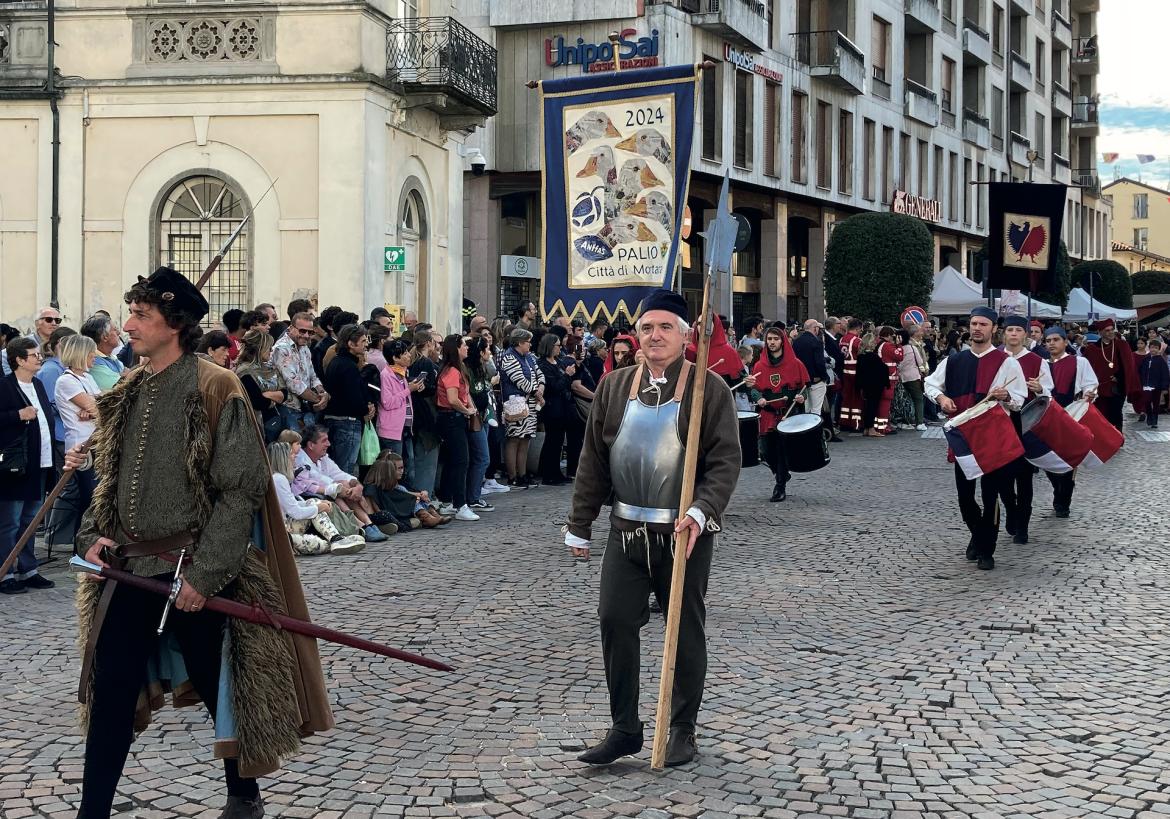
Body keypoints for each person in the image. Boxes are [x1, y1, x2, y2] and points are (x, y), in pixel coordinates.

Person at [69, 267, 332, 818]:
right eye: (132, 313)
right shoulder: (127, 388)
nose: (129, 325)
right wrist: (94, 535)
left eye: (142, 315)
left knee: (223, 689)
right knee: (111, 690)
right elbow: (111, 481)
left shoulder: (217, 386)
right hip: (131, 570)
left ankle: (243, 797)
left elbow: (240, 490)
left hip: (193, 568)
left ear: (176, 324)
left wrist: (203, 576)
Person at [567, 289, 740, 768]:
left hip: (683, 534)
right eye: (647, 328)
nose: (655, 336)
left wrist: (703, 511)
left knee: (683, 630)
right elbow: (594, 461)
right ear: (636, 335)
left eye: (665, 327)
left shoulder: (709, 389)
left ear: (685, 335)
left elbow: (725, 461)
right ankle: (624, 727)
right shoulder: (614, 386)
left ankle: (682, 728)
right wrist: (580, 524)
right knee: (615, 619)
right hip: (626, 531)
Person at [924, 306, 1027, 571]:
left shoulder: (1007, 362)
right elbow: (930, 383)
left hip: (993, 436)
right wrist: (942, 398)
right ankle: (978, 533)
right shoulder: (954, 360)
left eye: (983, 324)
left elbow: (1019, 399)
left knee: (991, 495)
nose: (977, 328)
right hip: (964, 437)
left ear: (994, 329)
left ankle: (986, 550)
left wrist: (1007, 397)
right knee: (965, 497)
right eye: (973, 324)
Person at [0, 337, 55, 594]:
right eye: (34, 355)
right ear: (19, 360)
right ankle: (5, 572)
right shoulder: (4, 386)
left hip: (40, 463)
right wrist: (17, 415)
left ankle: (28, 569)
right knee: (10, 522)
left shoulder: (39, 384)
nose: (39, 359)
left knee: (31, 521)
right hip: (15, 466)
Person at [1000, 316, 1053, 546]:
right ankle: (1011, 509)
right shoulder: (996, 357)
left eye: (1017, 330)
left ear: (1025, 335)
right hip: (999, 425)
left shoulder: (1036, 360)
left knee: (1024, 478)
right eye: (1009, 330)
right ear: (1003, 333)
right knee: (1002, 478)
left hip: (1025, 424)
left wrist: (1040, 388)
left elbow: (1049, 392)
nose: (1013, 334)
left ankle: (1022, 525)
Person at [291, 424, 389, 542]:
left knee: (345, 485)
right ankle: (362, 526)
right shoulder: (300, 460)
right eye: (324, 441)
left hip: (328, 493)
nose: (329, 444)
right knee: (339, 489)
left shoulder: (323, 458)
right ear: (311, 445)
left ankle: (368, 524)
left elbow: (340, 474)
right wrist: (341, 487)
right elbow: (319, 480)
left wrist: (357, 485)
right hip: (309, 497)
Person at [266, 441, 365, 555]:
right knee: (318, 543)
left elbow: (292, 504)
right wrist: (319, 508)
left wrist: (318, 505)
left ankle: (336, 539)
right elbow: (295, 512)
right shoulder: (279, 479)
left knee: (314, 503)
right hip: (285, 532)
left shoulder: (278, 478)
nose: (294, 457)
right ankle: (337, 540)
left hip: (287, 527)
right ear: (282, 458)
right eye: (291, 454)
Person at [1043, 326, 1098, 517]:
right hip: (1047, 417)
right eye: (1048, 341)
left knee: (1068, 459)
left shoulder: (1079, 362)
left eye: (1056, 340)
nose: (1051, 344)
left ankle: (1063, 499)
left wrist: (1090, 393)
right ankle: (1058, 487)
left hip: (1071, 414)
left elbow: (1091, 384)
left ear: (1065, 342)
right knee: (1047, 459)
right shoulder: (1042, 364)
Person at [750, 326, 809, 502]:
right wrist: (758, 397)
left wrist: (801, 397)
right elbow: (754, 389)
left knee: (782, 450)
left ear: (782, 341)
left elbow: (804, 388)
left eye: (775, 339)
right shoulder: (759, 365)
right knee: (766, 451)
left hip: (787, 415)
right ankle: (780, 473)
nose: (772, 342)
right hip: (768, 414)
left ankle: (780, 485)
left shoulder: (796, 364)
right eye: (769, 339)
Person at [434, 334, 480, 521]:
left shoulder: (455, 369)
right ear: (456, 349)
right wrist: (467, 411)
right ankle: (460, 504)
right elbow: (453, 399)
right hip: (452, 418)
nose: (467, 348)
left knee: (453, 461)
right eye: (463, 345)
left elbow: (464, 393)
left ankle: (447, 500)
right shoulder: (452, 371)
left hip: (452, 418)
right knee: (461, 460)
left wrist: (470, 406)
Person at [321, 324, 373, 476]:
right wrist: (366, 409)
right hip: (346, 423)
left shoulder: (338, 362)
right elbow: (352, 397)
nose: (366, 345)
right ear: (351, 344)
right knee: (345, 469)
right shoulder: (347, 366)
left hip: (337, 421)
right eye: (363, 341)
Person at [499, 328, 545, 488]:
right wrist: (537, 394)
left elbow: (540, 374)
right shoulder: (509, 357)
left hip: (530, 404)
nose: (530, 345)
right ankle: (513, 476)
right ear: (519, 342)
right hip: (516, 403)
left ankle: (523, 474)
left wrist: (541, 387)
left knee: (525, 439)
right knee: (514, 439)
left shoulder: (530, 357)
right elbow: (520, 380)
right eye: (528, 342)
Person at [271, 312, 329, 433]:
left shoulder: (305, 348)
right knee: (293, 449)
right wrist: (319, 399)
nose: (307, 335)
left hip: (304, 408)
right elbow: (294, 384)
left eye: (310, 332)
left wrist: (322, 392)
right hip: (287, 408)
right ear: (291, 328)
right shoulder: (281, 348)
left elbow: (312, 376)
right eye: (302, 331)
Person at [1081, 318, 1140, 433]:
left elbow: (1128, 365)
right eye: (1107, 330)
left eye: (1112, 329)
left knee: (1116, 412)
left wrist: (1119, 376)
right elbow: (1087, 367)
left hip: (1117, 387)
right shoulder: (1092, 349)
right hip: (1101, 388)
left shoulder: (1121, 345)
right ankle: (1105, 438)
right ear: (1100, 332)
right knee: (1102, 413)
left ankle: (1118, 436)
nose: (1111, 332)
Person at [235, 330, 287, 444]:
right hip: (256, 427)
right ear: (260, 348)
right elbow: (258, 402)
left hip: (273, 421)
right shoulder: (244, 371)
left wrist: (267, 395)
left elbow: (284, 394)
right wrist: (275, 397)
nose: (271, 350)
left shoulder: (268, 368)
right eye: (269, 347)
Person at [406, 330, 441, 497]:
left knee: (416, 458)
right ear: (429, 344)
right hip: (425, 414)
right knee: (426, 460)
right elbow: (431, 388)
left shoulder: (411, 361)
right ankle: (425, 495)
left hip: (414, 414)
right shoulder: (425, 362)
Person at [535, 333, 573, 487]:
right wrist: (567, 376)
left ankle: (556, 472)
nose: (560, 348)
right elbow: (554, 386)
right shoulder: (543, 365)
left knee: (558, 442)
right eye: (557, 345)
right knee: (552, 441)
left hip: (562, 406)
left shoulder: (558, 362)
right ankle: (548, 473)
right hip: (552, 407)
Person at [465, 336, 497, 509]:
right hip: (474, 417)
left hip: (484, 415)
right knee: (482, 458)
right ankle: (472, 497)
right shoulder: (468, 370)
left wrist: (489, 359)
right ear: (480, 351)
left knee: (480, 458)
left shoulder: (483, 367)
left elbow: (494, 372)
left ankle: (472, 495)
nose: (490, 352)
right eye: (487, 349)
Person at [377, 339, 416, 454]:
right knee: (393, 467)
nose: (409, 355)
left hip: (405, 428)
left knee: (408, 466)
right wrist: (408, 390)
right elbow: (388, 402)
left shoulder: (402, 373)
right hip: (391, 430)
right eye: (404, 353)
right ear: (395, 357)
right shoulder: (386, 375)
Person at [791, 319, 828, 428]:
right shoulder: (816, 342)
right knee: (816, 410)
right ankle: (815, 434)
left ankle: (806, 432)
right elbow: (819, 362)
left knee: (806, 410)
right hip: (816, 380)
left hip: (802, 381)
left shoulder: (796, 342)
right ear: (815, 328)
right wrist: (824, 376)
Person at [81, 315, 126, 391]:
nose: (119, 333)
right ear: (104, 337)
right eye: (115, 330)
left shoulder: (112, 357)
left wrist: (124, 377)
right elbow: (117, 389)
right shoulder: (93, 362)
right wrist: (127, 376)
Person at [898, 324, 929, 431]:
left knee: (903, 400)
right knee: (918, 399)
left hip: (901, 377)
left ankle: (904, 421)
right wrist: (924, 372)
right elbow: (920, 362)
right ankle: (919, 422)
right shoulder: (912, 348)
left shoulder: (898, 349)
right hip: (913, 376)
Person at [875, 326, 904, 435]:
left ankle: (880, 425)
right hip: (888, 379)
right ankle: (883, 427)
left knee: (882, 403)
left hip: (881, 378)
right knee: (885, 403)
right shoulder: (887, 345)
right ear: (889, 335)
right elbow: (899, 356)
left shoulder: (879, 343)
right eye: (893, 336)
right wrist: (899, 345)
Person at [838, 318, 864, 432]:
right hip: (855, 372)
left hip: (845, 371)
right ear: (857, 328)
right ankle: (856, 423)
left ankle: (844, 423)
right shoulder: (857, 340)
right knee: (856, 399)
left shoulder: (842, 338)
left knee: (846, 398)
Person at [1139, 337, 1169, 429]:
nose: (1153, 350)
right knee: (1147, 401)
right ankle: (1149, 415)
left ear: (1159, 349)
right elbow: (1141, 371)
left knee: (1156, 403)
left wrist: (1164, 387)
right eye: (1152, 347)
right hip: (1146, 385)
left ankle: (1154, 420)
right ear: (1149, 348)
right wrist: (1142, 382)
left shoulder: (1161, 361)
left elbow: (1165, 374)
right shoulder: (1146, 359)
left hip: (1157, 386)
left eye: (1156, 348)